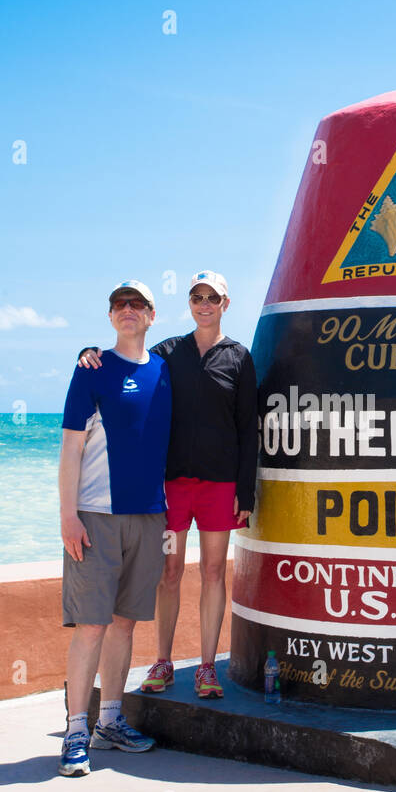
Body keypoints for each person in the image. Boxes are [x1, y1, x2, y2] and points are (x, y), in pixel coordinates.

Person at [78, 270, 258, 699]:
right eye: (197, 297)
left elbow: (249, 428)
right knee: (170, 572)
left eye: (213, 297)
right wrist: (90, 353)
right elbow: (130, 356)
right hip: (172, 488)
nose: (204, 304)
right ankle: (163, 662)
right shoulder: (168, 352)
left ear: (225, 304)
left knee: (214, 571)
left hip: (220, 487)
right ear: (190, 303)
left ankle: (208, 667)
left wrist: (245, 491)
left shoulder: (239, 357)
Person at [58, 280, 171, 776]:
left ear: (151, 315)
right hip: (95, 516)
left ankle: (110, 722)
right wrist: (67, 515)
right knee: (91, 626)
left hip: (149, 515)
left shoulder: (167, 370)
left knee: (124, 624)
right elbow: (71, 448)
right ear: (110, 317)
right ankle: (75, 730)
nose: (127, 311)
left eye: (137, 304)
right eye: (119, 305)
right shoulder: (91, 370)